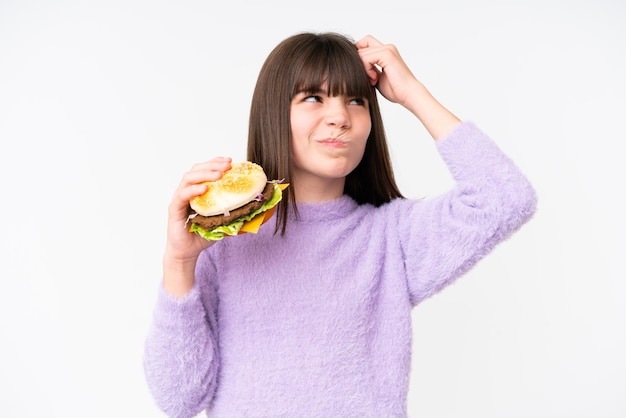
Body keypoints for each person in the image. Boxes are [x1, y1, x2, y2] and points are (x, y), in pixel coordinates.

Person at [143, 32, 537, 417]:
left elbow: (504, 198)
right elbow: (180, 400)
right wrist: (178, 262)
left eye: (356, 101)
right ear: (273, 112)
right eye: (313, 97)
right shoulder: (226, 241)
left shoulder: (390, 239)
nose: (340, 117)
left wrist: (412, 92)